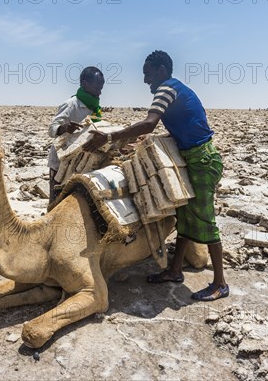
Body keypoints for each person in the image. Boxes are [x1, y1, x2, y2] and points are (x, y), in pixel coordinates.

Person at [82, 51, 228, 301]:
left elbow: (150, 123)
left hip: (202, 161)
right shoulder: (174, 89)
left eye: (147, 73)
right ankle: (174, 270)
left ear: (161, 70)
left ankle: (220, 283)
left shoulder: (166, 89)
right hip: (192, 158)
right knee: (184, 214)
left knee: (204, 219)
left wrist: (108, 138)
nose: (145, 79)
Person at [47, 66, 105, 203]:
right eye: (97, 86)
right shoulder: (71, 105)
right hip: (61, 164)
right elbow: (51, 129)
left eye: (101, 87)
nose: (100, 91)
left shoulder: (95, 108)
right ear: (85, 84)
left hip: (81, 163)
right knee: (56, 200)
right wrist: (65, 128)